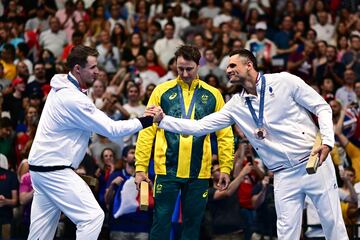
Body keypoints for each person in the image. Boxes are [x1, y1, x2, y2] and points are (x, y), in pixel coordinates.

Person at [154, 49, 348, 239]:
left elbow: (321, 107)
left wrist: (328, 142)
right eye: (227, 67)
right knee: (286, 233)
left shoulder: (284, 81)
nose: (228, 70)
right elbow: (199, 127)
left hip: (313, 162)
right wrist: (163, 121)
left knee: (332, 223)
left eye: (232, 65)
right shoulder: (236, 105)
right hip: (282, 174)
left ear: (249, 65)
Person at [27, 45, 157, 240]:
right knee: (92, 217)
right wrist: (147, 119)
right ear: (78, 69)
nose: (98, 71)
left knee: (40, 234)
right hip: (54, 170)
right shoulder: (72, 98)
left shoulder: (65, 85)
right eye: (93, 67)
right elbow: (112, 129)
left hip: (41, 169)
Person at [135, 45, 234, 240]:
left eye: (189, 68)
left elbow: (225, 134)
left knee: (193, 226)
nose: (185, 73)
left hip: (199, 171)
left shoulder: (213, 95)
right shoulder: (161, 91)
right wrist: (141, 167)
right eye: (180, 68)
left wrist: (225, 167)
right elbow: (147, 131)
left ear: (198, 66)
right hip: (166, 169)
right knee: (160, 223)